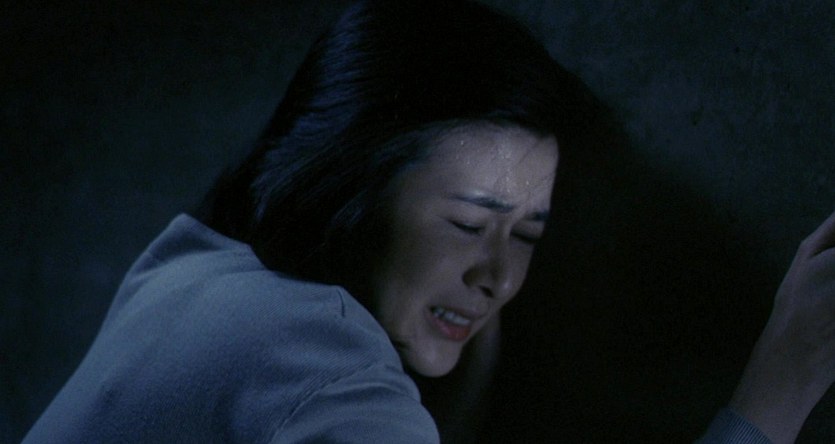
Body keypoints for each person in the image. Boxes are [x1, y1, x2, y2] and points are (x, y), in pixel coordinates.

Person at [22, 0, 835, 443]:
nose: (500, 278)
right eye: (468, 223)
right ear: (354, 192)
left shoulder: (188, 271)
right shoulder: (319, 352)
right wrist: (770, 401)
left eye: (527, 235)